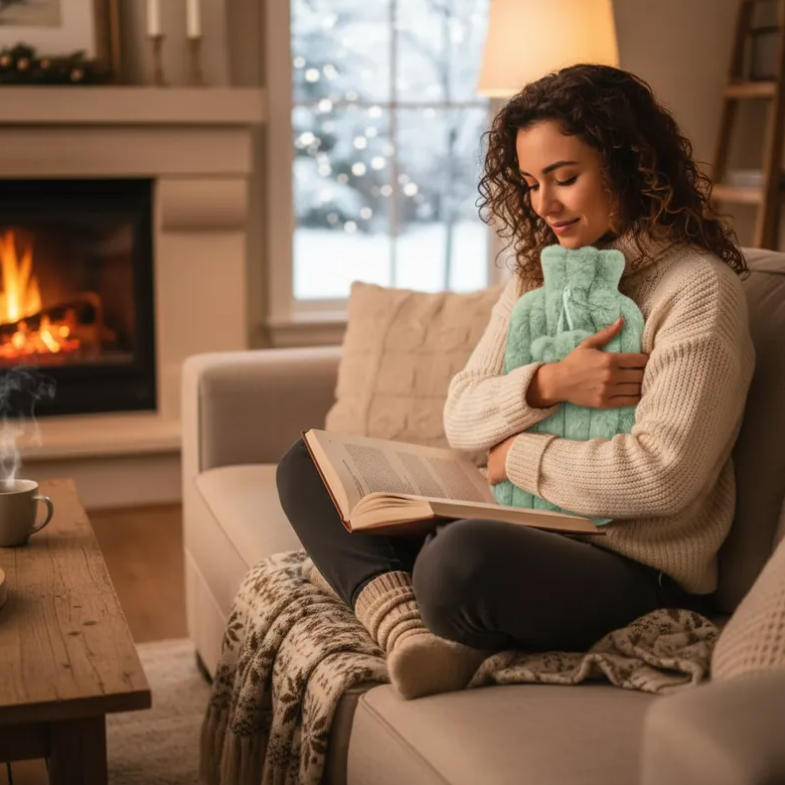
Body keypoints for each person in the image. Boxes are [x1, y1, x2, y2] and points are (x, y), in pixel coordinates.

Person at [276, 64, 756, 700]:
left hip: (629, 563)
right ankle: (410, 633)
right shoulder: (538, 277)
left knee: (459, 561)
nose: (543, 205)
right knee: (306, 466)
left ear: (630, 165)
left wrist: (515, 455)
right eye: (530, 184)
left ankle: (434, 613)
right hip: (516, 520)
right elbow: (462, 416)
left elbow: (661, 475)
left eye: (565, 178)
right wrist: (548, 384)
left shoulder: (697, 291)